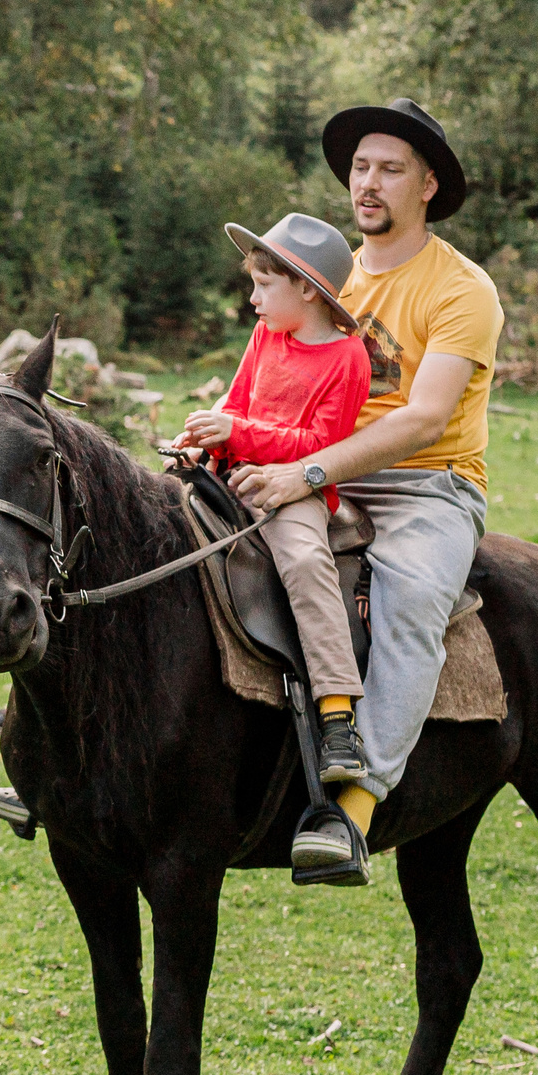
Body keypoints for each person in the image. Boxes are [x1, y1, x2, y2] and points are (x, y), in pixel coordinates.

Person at [227, 100, 503, 881]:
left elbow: (422, 418)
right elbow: (266, 371)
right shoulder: (324, 275)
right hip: (310, 460)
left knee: (412, 603)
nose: (367, 183)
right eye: (359, 167)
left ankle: (352, 807)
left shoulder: (462, 289)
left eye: (389, 168)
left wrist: (308, 472)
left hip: (425, 485)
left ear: (428, 184)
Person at [175, 214, 374, 792]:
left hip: (297, 489)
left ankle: (337, 714)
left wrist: (236, 434)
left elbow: (323, 447)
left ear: (307, 289)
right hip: (231, 472)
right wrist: (202, 438)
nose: (253, 298)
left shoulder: (348, 359)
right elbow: (237, 402)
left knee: (306, 562)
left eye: (265, 285)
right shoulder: (267, 335)